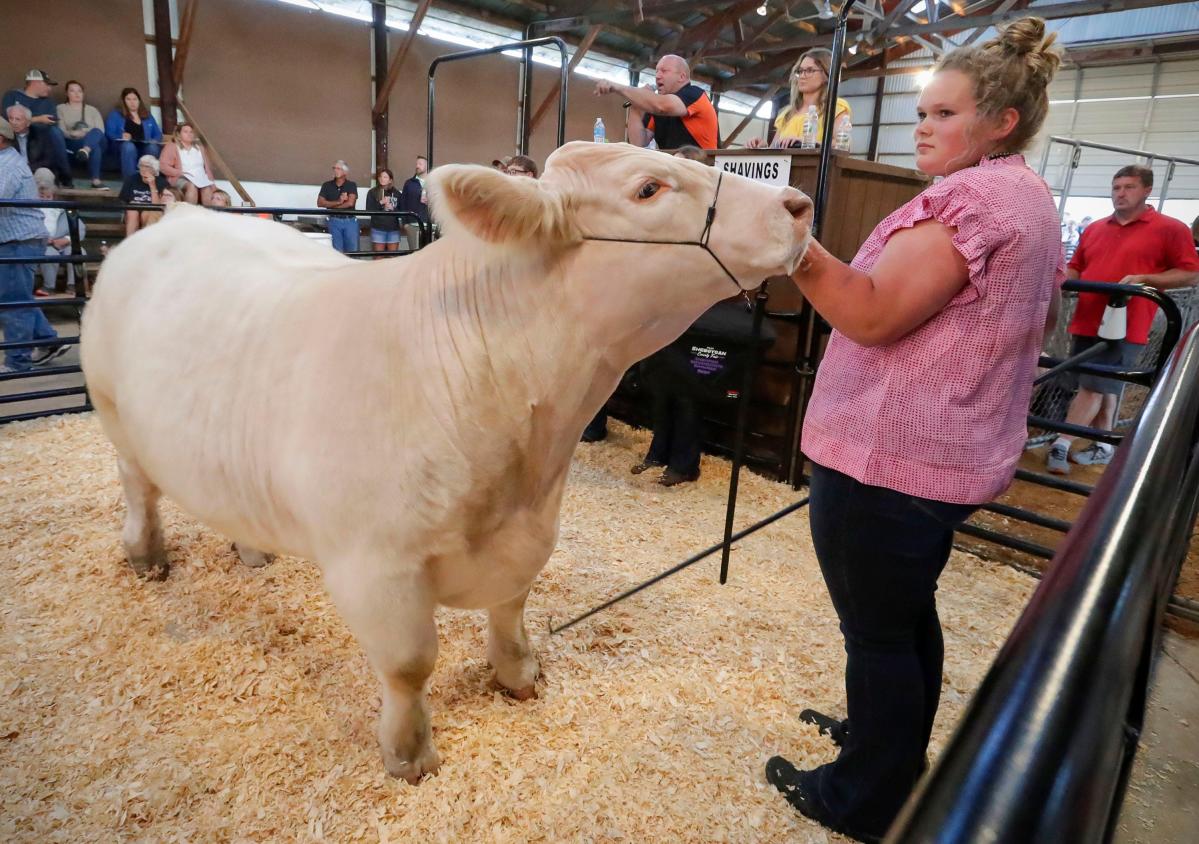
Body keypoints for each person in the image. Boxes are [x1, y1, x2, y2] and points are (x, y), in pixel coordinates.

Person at [763, 20, 1065, 842]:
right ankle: (888, 754)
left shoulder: (972, 200)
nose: (921, 126)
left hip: (888, 460)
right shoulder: (1024, 195)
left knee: (876, 634)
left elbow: (870, 312)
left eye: (942, 113)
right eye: (920, 112)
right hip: (938, 456)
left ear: (1000, 121)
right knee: (900, 620)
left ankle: (861, 798)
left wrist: (792, 245)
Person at [1045, 165, 1199, 474]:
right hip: (1087, 317)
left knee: (1092, 385)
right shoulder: (1096, 228)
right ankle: (1104, 445)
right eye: (1116, 187)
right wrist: (1061, 282)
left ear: (1146, 190)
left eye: (1129, 187)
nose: (1120, 193)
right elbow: (1077, 265)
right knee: (1104, 384)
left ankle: (1061, 444)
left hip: (1126, 324)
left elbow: (1191, 273)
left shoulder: (1170, 228)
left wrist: (1145, 279)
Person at [0, 117, 66, 373]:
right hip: (17, 238)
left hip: (19, 239)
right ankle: (47, 340)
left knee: (13, 301)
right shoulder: (8, 161)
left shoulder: (8, 164)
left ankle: (18, 360)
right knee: (16, 296)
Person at [594, 54, 718, 150]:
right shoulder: (657, 106)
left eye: (664, 71)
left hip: (702, 169)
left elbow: (662, 106)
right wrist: (635, 104)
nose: (658, 76)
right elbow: (638, 142)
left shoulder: (694, 94)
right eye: (657, 71)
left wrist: (618, 87)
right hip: (673, 170)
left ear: (682, 77)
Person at [748, 49, 852, 149]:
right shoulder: (787, 114)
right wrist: (763, 147)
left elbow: (842, 145)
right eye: (800, 71)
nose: (802, 76)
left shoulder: (835, 107)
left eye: (810, 70)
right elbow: (775, 149)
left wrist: (806, 143)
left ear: (827, 74)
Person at [2, 70, 73, 187]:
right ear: (35, 82)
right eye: (47, 84)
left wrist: (28, 123)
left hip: (38, 141)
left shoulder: (48, 103)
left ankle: (66, 179)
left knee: (55, 133)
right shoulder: (12, 95)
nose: (50, 88)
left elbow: (51, 124)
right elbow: (5, 121)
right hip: (14, 140)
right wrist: (37, 119)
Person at [33, 167, 86, 296]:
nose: (45, 199)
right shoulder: (30, 208)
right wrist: (44, 239)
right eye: (41, 196)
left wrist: (67, 239)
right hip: (43, 244)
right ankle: (49, 287)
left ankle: (73, 285)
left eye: (48, 196)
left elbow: (80, 227)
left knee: (79, 252)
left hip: (63, 242)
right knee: (49, 254)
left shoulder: (62, 208)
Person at [57, 80, 107, 189]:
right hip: (73, 143)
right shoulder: (61, 108)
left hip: (91, 140)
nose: (77, 94)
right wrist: (72, 134)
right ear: (67, 93)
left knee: (96, 134)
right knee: (95, 147)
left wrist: (85, 133)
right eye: (72, 91)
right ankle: (95, 180)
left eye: (79, 91)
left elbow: (100, 130)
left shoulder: (92, 110)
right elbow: (61, 130)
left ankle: (85, 150)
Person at [105, 87, 163, 179]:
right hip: (122, 148)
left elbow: (158, 134)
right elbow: (109, 132)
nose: (132, 102)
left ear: (139, 101)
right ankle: (130, 181)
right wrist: (121, 136)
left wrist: (154, 140)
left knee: (153, 147)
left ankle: (149, 179)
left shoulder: (147, 116)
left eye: (135, 99)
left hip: (143, 146)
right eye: (128, 99)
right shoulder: (116, 115)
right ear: (123, 101)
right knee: (129, 146)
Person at [158, 122, 216, 205]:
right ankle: (189, 214)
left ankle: (208, 215)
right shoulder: (172, 147)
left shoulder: (200, 148)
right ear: (178, 134)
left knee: (207, 187)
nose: (189, 134)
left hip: (200, 178)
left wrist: (213, 184)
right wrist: (179, 172)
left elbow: (207, 169)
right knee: (191, 186)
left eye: (191, 132)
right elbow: (162, 166)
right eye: (185, 132)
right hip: (181, 177)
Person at [119, 154, 168, 236]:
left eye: (147, 166)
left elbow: (157, 206)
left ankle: (145, 243)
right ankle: (130, 242)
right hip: (132, 212)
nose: (143, 169)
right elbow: (124, 201)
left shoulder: (161, 182)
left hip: (151, 211)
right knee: (132, 210)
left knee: (147, 212)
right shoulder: (131, 179)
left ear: (154, 169)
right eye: (141, 166)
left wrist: (152, 185)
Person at [317, 160, 359, 254]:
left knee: (353, 251)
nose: (336, 170)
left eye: (338, 168)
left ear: (345, 172)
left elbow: (350, 203)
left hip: (350, 221)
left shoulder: (351, 185)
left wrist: (331, 206)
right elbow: (320, 203)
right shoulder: (326, 185)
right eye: (334, 168)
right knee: (336, 252)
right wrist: (339, 201)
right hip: (333, 220)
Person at [366, 168, 402, 256]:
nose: (382, 179)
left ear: (390, 180)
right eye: (381, 177)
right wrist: (381, 203)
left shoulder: (397, 193)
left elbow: (402, 211)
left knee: (393, 257)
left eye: (385, 177)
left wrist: (393, 208)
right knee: (379, 257)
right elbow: (369, 210)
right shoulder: (372, 192)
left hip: (393, 229)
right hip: (378, 228)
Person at [400, 155, 429, 252]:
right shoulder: (409, 183)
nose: (417, 166)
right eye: (416, 164)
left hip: (430, 224)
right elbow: (403, 203)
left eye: (420, 164)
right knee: (414, 252)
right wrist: (405, 223)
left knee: (429, 252)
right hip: (413, 223)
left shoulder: (434, 183)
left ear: (427, 166)